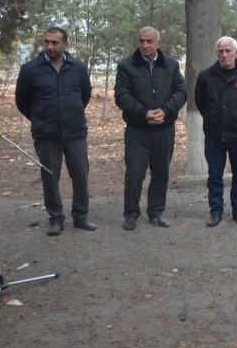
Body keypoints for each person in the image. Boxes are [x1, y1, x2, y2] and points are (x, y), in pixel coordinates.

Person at [15, 27, 96, 236]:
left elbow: (84, 96)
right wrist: (42, 118)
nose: (50, 46)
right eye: (47, 42)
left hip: (75, 133)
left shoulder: (78, 68)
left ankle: (80, 216)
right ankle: (56, 219)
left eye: (55, 43)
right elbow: (22, 101)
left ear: (65, 45)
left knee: (80, 176)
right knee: (50, 178)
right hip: (46, 135)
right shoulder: (30, 69)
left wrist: (71, 115)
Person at [115, 26, 187, 231]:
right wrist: (143, 113)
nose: (144, 45)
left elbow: (181, 92)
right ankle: (131, 213)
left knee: (161, 172)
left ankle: (156, 212)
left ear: (158, 43)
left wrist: (165, 111)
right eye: (141, 41)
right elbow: (122, 95)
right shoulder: (126, 66)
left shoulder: (171, 65)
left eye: (148, 41)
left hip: (164, 129)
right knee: (135, 172)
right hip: (138, 129)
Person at [195, 36, 237, 227]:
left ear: (236, 53)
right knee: (215, 175)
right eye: (220, 51)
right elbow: (201, 102)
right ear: (216, 53)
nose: (224, 55)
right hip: (214, 135)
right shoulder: (205, 76)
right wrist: (211, 116)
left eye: (228, 51)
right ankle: (216, 211)